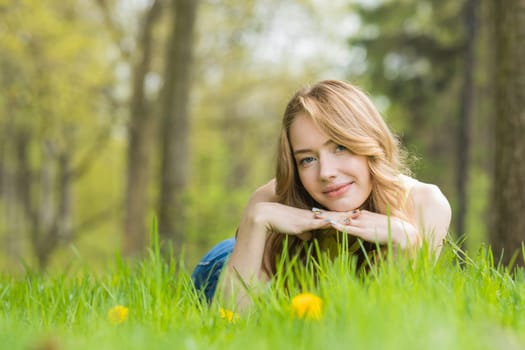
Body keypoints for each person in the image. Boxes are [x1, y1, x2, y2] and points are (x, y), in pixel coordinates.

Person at [191, 80, 451, 309]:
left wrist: (404, 241)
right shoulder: (270, 200)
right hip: (230, 262)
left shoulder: (424, 204)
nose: (326, 173)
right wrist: (256, 221)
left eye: (339, 147)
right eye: (307, 159)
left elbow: (389, 320)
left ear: (369, 143)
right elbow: (231, 321)